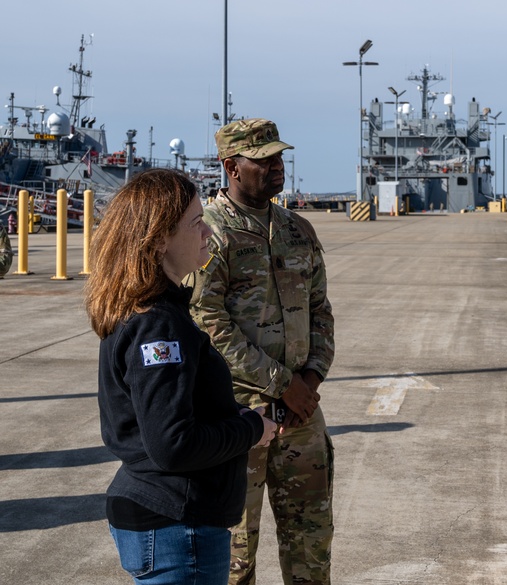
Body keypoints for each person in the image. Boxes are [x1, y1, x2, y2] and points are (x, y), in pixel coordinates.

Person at [85, 169, 277, 585]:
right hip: (176, 525)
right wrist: (249, 428)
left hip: (164, 518)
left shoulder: (144, 310)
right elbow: (173, 445)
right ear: (158, 241)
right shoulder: (158, 326)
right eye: (195, 222)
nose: (208, 230)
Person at [188, 118, 336, 585]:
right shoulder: (209, 234)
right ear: (231, 166)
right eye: (264, 160)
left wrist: (308, 383)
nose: (277, 167)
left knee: (311, 546)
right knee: (234, 556)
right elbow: (210, 325)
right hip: (236, 418)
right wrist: (283, 385)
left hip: (301, 418)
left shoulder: (298, 230)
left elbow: (321, 312)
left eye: (280, 158)